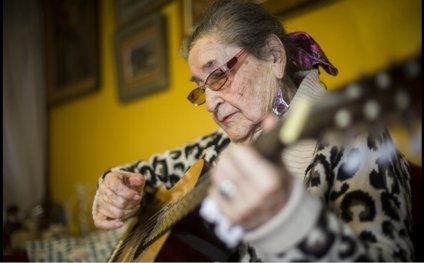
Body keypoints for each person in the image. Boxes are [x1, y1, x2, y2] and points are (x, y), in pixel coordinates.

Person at [92, 0, 414, 261]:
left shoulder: (353, 137)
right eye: (201, 89)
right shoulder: (222, 147)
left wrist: (287, 222)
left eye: (218, 75)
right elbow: (145, 176)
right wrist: (114, 188)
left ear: (274, 56)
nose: (209, 103)